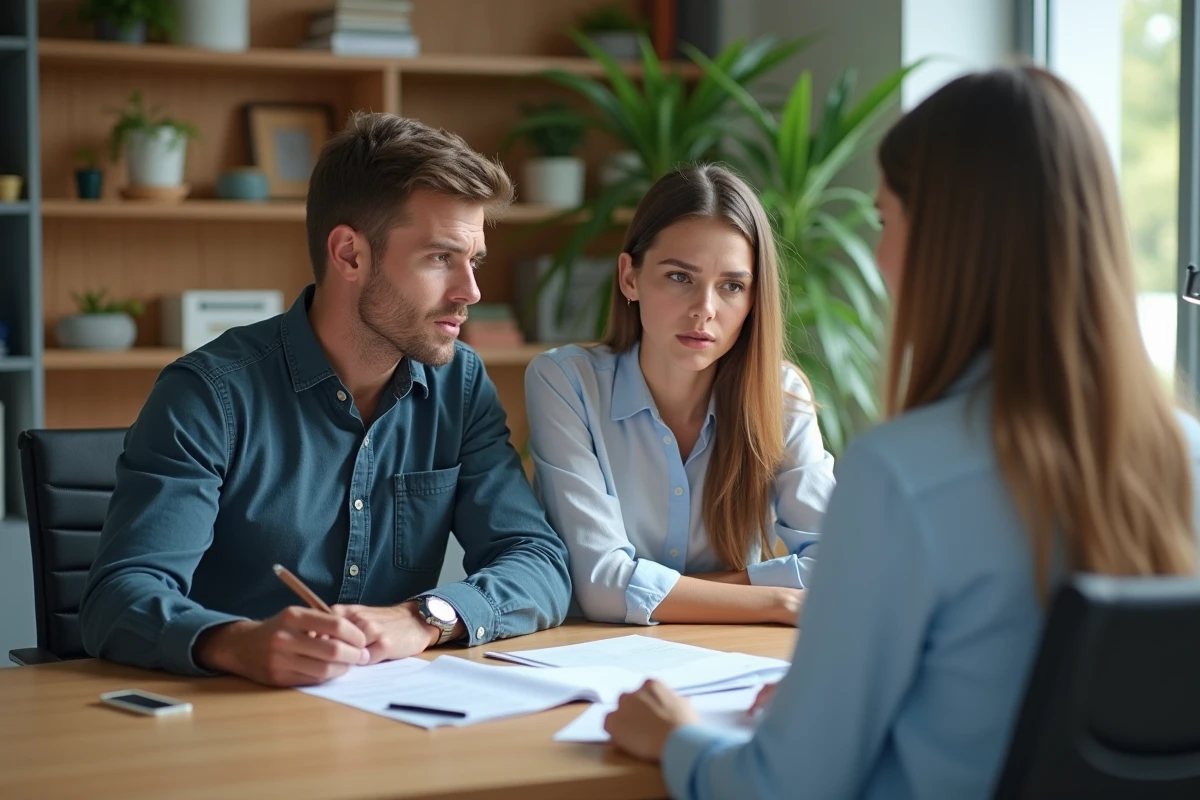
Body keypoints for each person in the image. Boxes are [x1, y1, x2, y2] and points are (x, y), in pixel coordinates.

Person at [602, 65, 1200, 798]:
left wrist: (676, 738)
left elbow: (785, 788)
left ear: (948, 242)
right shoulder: (1185, 456)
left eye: (885, 221)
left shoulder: (904, 475)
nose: (879, 256)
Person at [80, 113, 572, 686]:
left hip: (391, 709)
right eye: (441, 258)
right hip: (229, 711)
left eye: (473, 260)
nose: (471, 291)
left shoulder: (458, 385)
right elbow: (118, 599)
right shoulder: (209, 395)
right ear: (350, 254)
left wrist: (425, 618)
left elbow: (538, 561)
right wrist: (235, 642)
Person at [525, 164, 835, 626]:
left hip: (730, 652)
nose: (704, 310)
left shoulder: (780, 394)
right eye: (679, 277)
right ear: (629, 277)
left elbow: (836, 565)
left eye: (732, 286)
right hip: (592, 653)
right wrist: (777, 599)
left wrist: (654, 589)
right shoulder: (566, 383)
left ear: (753, 300)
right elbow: (601, 585)